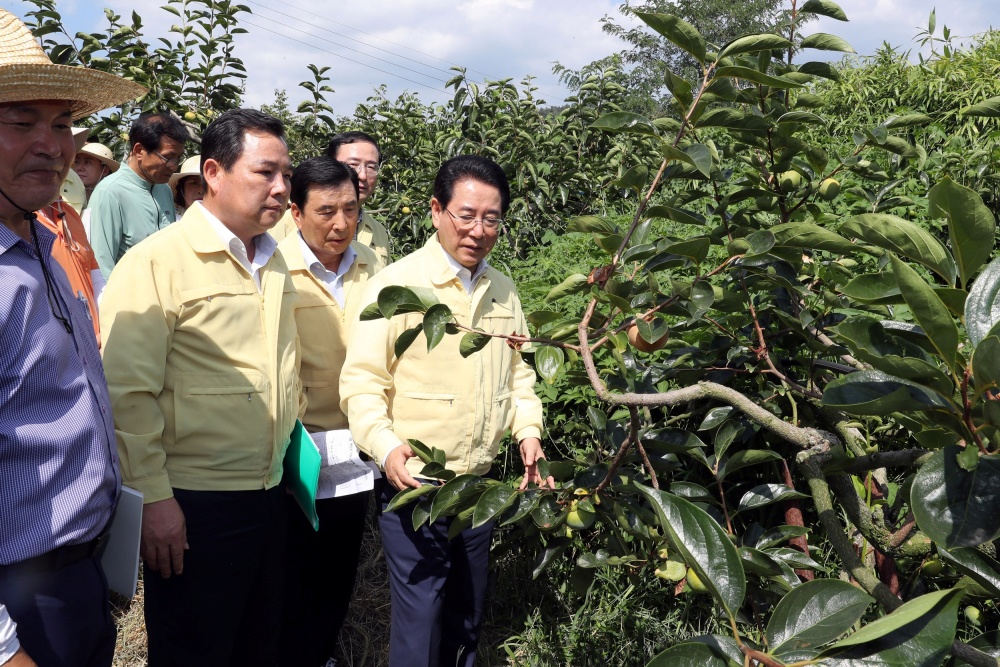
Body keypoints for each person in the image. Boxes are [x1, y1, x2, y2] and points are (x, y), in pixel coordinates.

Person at [100, 108, 303, 667]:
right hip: (193, 504)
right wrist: (155, 499)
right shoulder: (157, 262)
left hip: (268, 493)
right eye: (265, 173)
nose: (281, 188)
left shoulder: (274, 261)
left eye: (286, 175)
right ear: (213, 173)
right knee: (195, 648)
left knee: (256, 644)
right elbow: (125, 393)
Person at [340, 155, 551, 667]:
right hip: (417, 480)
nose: (478, 230)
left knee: (467, 610)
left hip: (478, 483)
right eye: (466, 215)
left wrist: (528, 429)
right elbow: (362, 382)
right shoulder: (397, 286)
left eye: (492, 218)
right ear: (436, 211)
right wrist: (386, 446)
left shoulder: (503, 289)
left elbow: (518, 372)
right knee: (422, 612)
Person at [0, 8, 146, 667]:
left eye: (61, 123)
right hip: (22, 596)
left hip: (77, 576)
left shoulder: (41, 244)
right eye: (20, 121)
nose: (51, 145)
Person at [276, 157, 382, 667]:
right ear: (295, 212)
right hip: (296, 448)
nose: (340, 224)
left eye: (350, 210)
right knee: (290, 566)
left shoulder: (373, 267)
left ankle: (321, 653)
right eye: (325, 212)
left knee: (338, 566)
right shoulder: (274, 268)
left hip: (355, 447)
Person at [89, 111, 185, 277]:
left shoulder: (164, 189)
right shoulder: (110, 192)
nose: (174, 166)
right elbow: (101, 265)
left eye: (178, 158)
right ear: (139, 151)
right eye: (168, 157)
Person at [168, 155, 203, 219]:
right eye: (194, 183)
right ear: (181, 188)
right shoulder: (171, 220)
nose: (201, 190)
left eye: (206, 184)